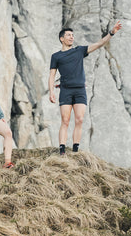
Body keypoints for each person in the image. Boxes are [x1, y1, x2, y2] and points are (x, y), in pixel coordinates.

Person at [48, 22, 121, 155]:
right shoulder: (56, 56)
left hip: (80, 90)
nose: (71, 37)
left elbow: (99, 44)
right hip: (65, 90)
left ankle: (75, 150)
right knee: (65, 120)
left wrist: (111, 33)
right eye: (69, 35)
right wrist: (51, 92)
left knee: (79, 119)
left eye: (73, 35)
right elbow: (52, 75)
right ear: (61, 39)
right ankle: (62, 150)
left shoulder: (79, 50)